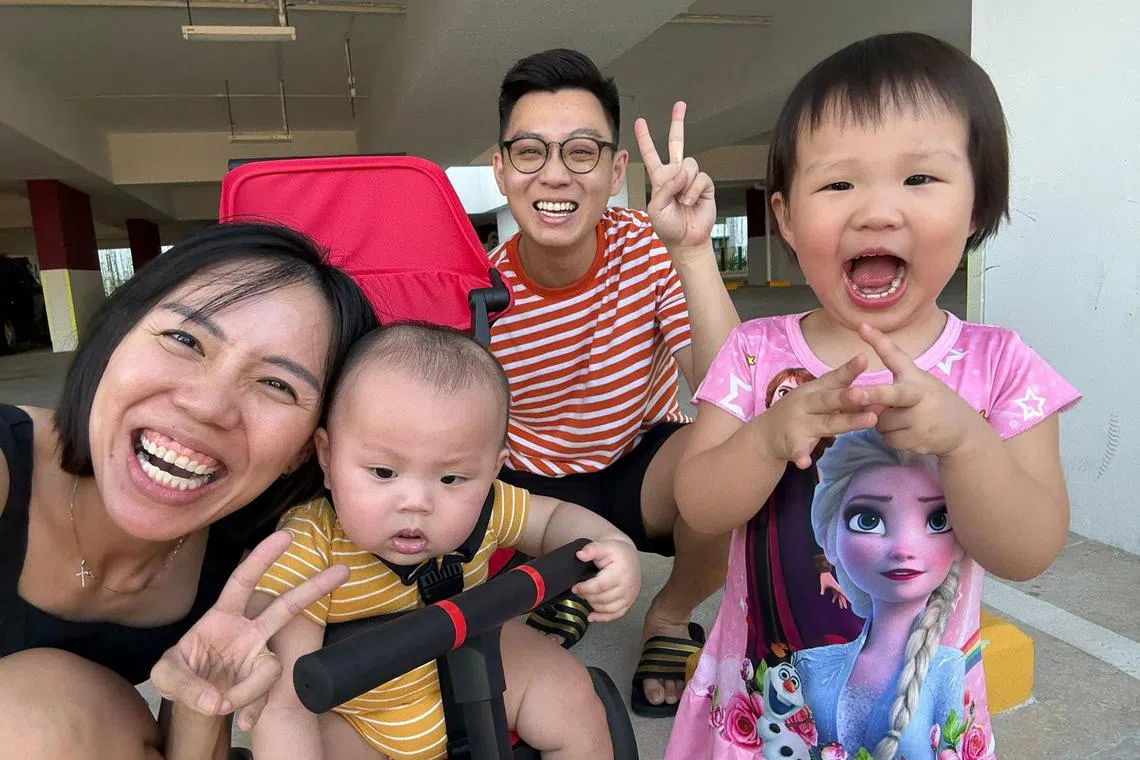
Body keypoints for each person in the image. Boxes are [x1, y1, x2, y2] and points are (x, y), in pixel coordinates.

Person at [666, 32, 1081, 758]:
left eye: (920, 179)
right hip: (763, 724)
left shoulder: (1003, 369)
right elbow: (697, 503)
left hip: (923, 730)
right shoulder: (754, 352)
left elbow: (1028, 548)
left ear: (979, 203)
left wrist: (964, 441)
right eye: (838, 184)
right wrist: (768, 436)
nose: (877, 211)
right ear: (788, 218)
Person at [0, 222, 377, 760]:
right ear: (114, 339)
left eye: (277, 384)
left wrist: (205, 701)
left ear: (304, 450)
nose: (207, 406)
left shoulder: (253, 560)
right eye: (185, 340)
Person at [249, 323, 642, 760]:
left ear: (492, 470)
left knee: (570, 692)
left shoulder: (486, 509)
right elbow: (287, 701)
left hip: (472, 667)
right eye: (383, 473)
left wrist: (611, 543)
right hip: (358, 715)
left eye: (451, 478)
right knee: (294, 723)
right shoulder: (308, 547)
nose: (417, 503)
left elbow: (553, 519)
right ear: (328, 458)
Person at [488, 47, 739, 716]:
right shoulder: (479, 288)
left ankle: (669, 613)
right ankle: (565, 583)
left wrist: (691, 250)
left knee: (734, 452)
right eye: (530, 153)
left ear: (615, 168)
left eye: (580, 152)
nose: (555, 176)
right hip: (534, 491)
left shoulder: (648, 248)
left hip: (641, 468)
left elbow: (729, 385)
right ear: (501, 168)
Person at [793, 429, 968, 760]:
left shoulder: (948, 668)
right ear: (830, 540)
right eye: (868, 519)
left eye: (937, 519)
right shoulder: (811, 665)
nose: (904, 549)